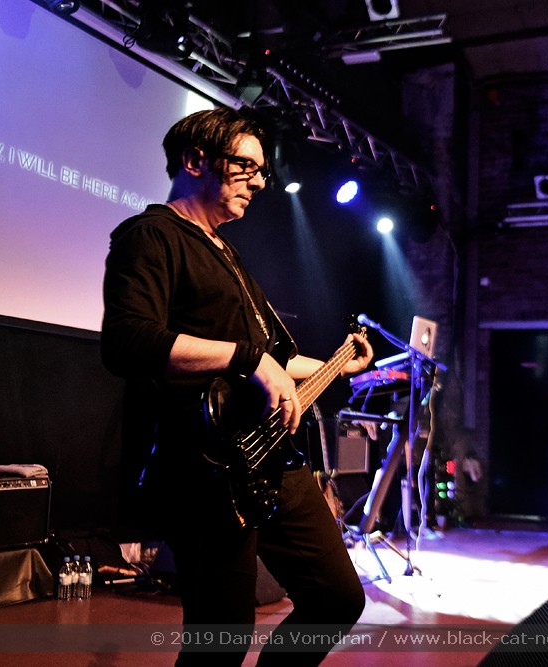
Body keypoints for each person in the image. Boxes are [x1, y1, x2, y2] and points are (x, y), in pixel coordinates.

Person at [100, 107, 374, 666]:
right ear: (196, 160)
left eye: (263, 171)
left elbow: (276, 362)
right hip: (206, 467)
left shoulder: (226, 250)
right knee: (221, 639)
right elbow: (127, 342)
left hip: (271, 455)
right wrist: (250, 358)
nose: (260, 182)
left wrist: (339, 365)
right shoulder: (151, 236)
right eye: (247, 166)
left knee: (336, 599)